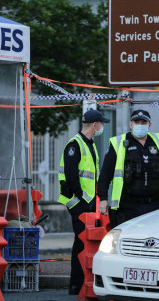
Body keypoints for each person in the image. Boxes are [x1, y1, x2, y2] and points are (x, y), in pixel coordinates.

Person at [58, 108, 109, 295]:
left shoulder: (90, 144)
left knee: (82, 242)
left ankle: (78, 284)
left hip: (87, 202)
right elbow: (71, 177)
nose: (102, 126)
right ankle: (77, 285)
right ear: (95, 125)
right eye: (101, 123)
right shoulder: (75, 145)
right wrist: (81, 199)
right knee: (81, 242)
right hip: (78, 202)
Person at [98, 109, 159, 228]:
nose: (140, 125)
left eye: (143, 123)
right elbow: (105, 175)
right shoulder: (119, 143)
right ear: (131, 124)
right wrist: (103, 199)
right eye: (137, 122)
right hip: (128, 206)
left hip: (155, 205)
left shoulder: (157, 142)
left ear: (149, 125)